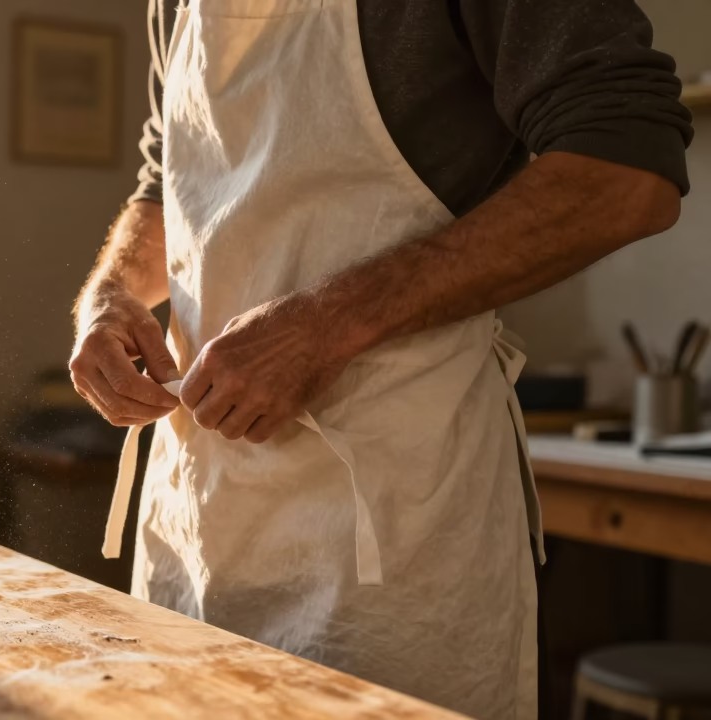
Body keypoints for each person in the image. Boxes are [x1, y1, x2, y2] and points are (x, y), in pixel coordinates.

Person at [68, 0, 692, 717]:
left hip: (392, 536)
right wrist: (110, 296)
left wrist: (326, 323)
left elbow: (626, 171)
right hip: (197, 520)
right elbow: (165, 185)